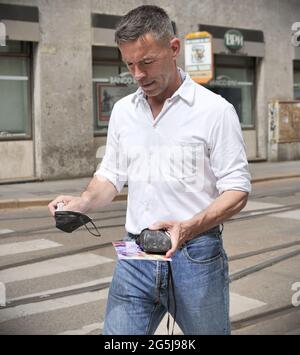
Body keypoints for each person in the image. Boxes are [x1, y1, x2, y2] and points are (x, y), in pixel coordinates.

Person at [48, 5, 251, 335]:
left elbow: (238, 190)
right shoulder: (123, 111)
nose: (138, 74)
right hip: (135, 254)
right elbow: (111, 175)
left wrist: (186, 228)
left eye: (146, 62)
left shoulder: (215, 111)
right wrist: (82, 203)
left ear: (173, 49)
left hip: (195, 256)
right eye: (129, 64)